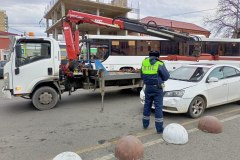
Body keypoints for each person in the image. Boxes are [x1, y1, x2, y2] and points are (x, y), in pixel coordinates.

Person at [141, 50, 170, 133]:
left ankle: (145, 124)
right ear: (158, 57)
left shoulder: (144, 63)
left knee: (147, 105)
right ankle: (159, 129)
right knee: (158, 108)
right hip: (157, 88)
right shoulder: (159, 63)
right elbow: (166, 76)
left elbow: (142, 76)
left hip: (148, 87)